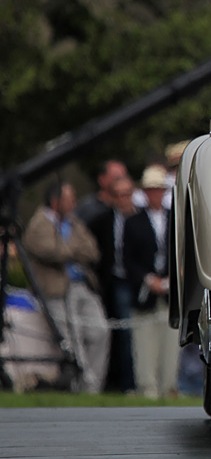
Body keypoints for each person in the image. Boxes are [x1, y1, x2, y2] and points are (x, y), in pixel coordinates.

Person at [22, 181, 111, 393]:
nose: (74, 203)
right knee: (72, 339)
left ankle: (93, 386)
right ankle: (81, 386)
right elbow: (52, 252)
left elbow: (92, 251)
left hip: (82, 286)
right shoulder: (39, 224)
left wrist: (68, 249)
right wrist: (73, 249)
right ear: (56, 202)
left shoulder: (74, 221)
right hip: (56, 292)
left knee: (100, 331)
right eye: (70, 199)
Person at [124, 166, 178, 398]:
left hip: (170, 290)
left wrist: (171, 279)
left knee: (170, 343)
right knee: (144, 342)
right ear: (145, 192)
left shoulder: (174, 218)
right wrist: (148, 280)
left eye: (159, 189)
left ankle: (169, 386)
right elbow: (128, 260)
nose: (155, 194)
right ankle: (147, 388)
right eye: (151, 190)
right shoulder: (133, 222)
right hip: (144, 291)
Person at [86, 176, 137, 392]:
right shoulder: (102, 221)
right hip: (113, 282)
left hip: (137, 281)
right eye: (119, 195)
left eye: (127, 194)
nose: (124, 199)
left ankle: (132, 382)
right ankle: (118, 382)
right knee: (117, 333)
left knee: (132, 333)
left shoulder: (143, 219)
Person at [74, 160, 130, 228]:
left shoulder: (133, 206)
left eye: (124, 177)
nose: (121, 182)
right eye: (117, 178)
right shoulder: (88, 208)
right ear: (102, 179)